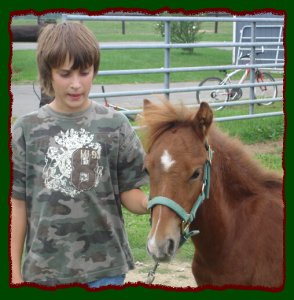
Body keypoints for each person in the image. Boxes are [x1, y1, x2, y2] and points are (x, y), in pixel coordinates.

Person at [10, 22, 149, 288]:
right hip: (43, 273)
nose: (76, 84)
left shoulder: (116, 124)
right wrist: (14, 273)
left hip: (105, 270)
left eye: (84, 73)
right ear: (47, 73)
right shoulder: (26, 129)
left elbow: (130, 193)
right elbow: (16, 204)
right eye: (65, 74)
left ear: (94, 70)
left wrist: (154, 206)